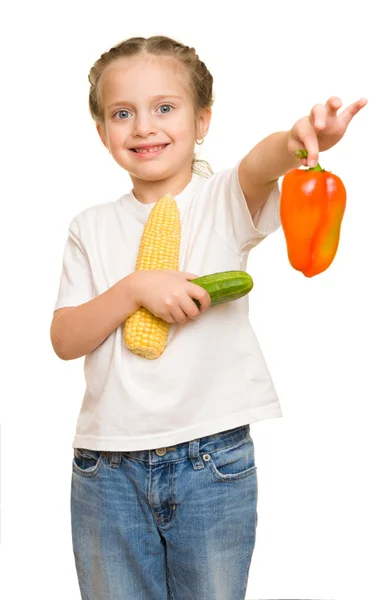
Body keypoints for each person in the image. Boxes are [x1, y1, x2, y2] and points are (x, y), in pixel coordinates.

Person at [50, 34, 367, 600]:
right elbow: (65, 338)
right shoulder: (89, 227)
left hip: (210, 462)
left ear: (203, 121)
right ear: (102, 133)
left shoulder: (223, 201)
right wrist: (134, 289)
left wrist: (299, 141)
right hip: (107, 470)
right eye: (123, 114)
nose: (144, 127)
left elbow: (260, 163)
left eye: (165, 108)